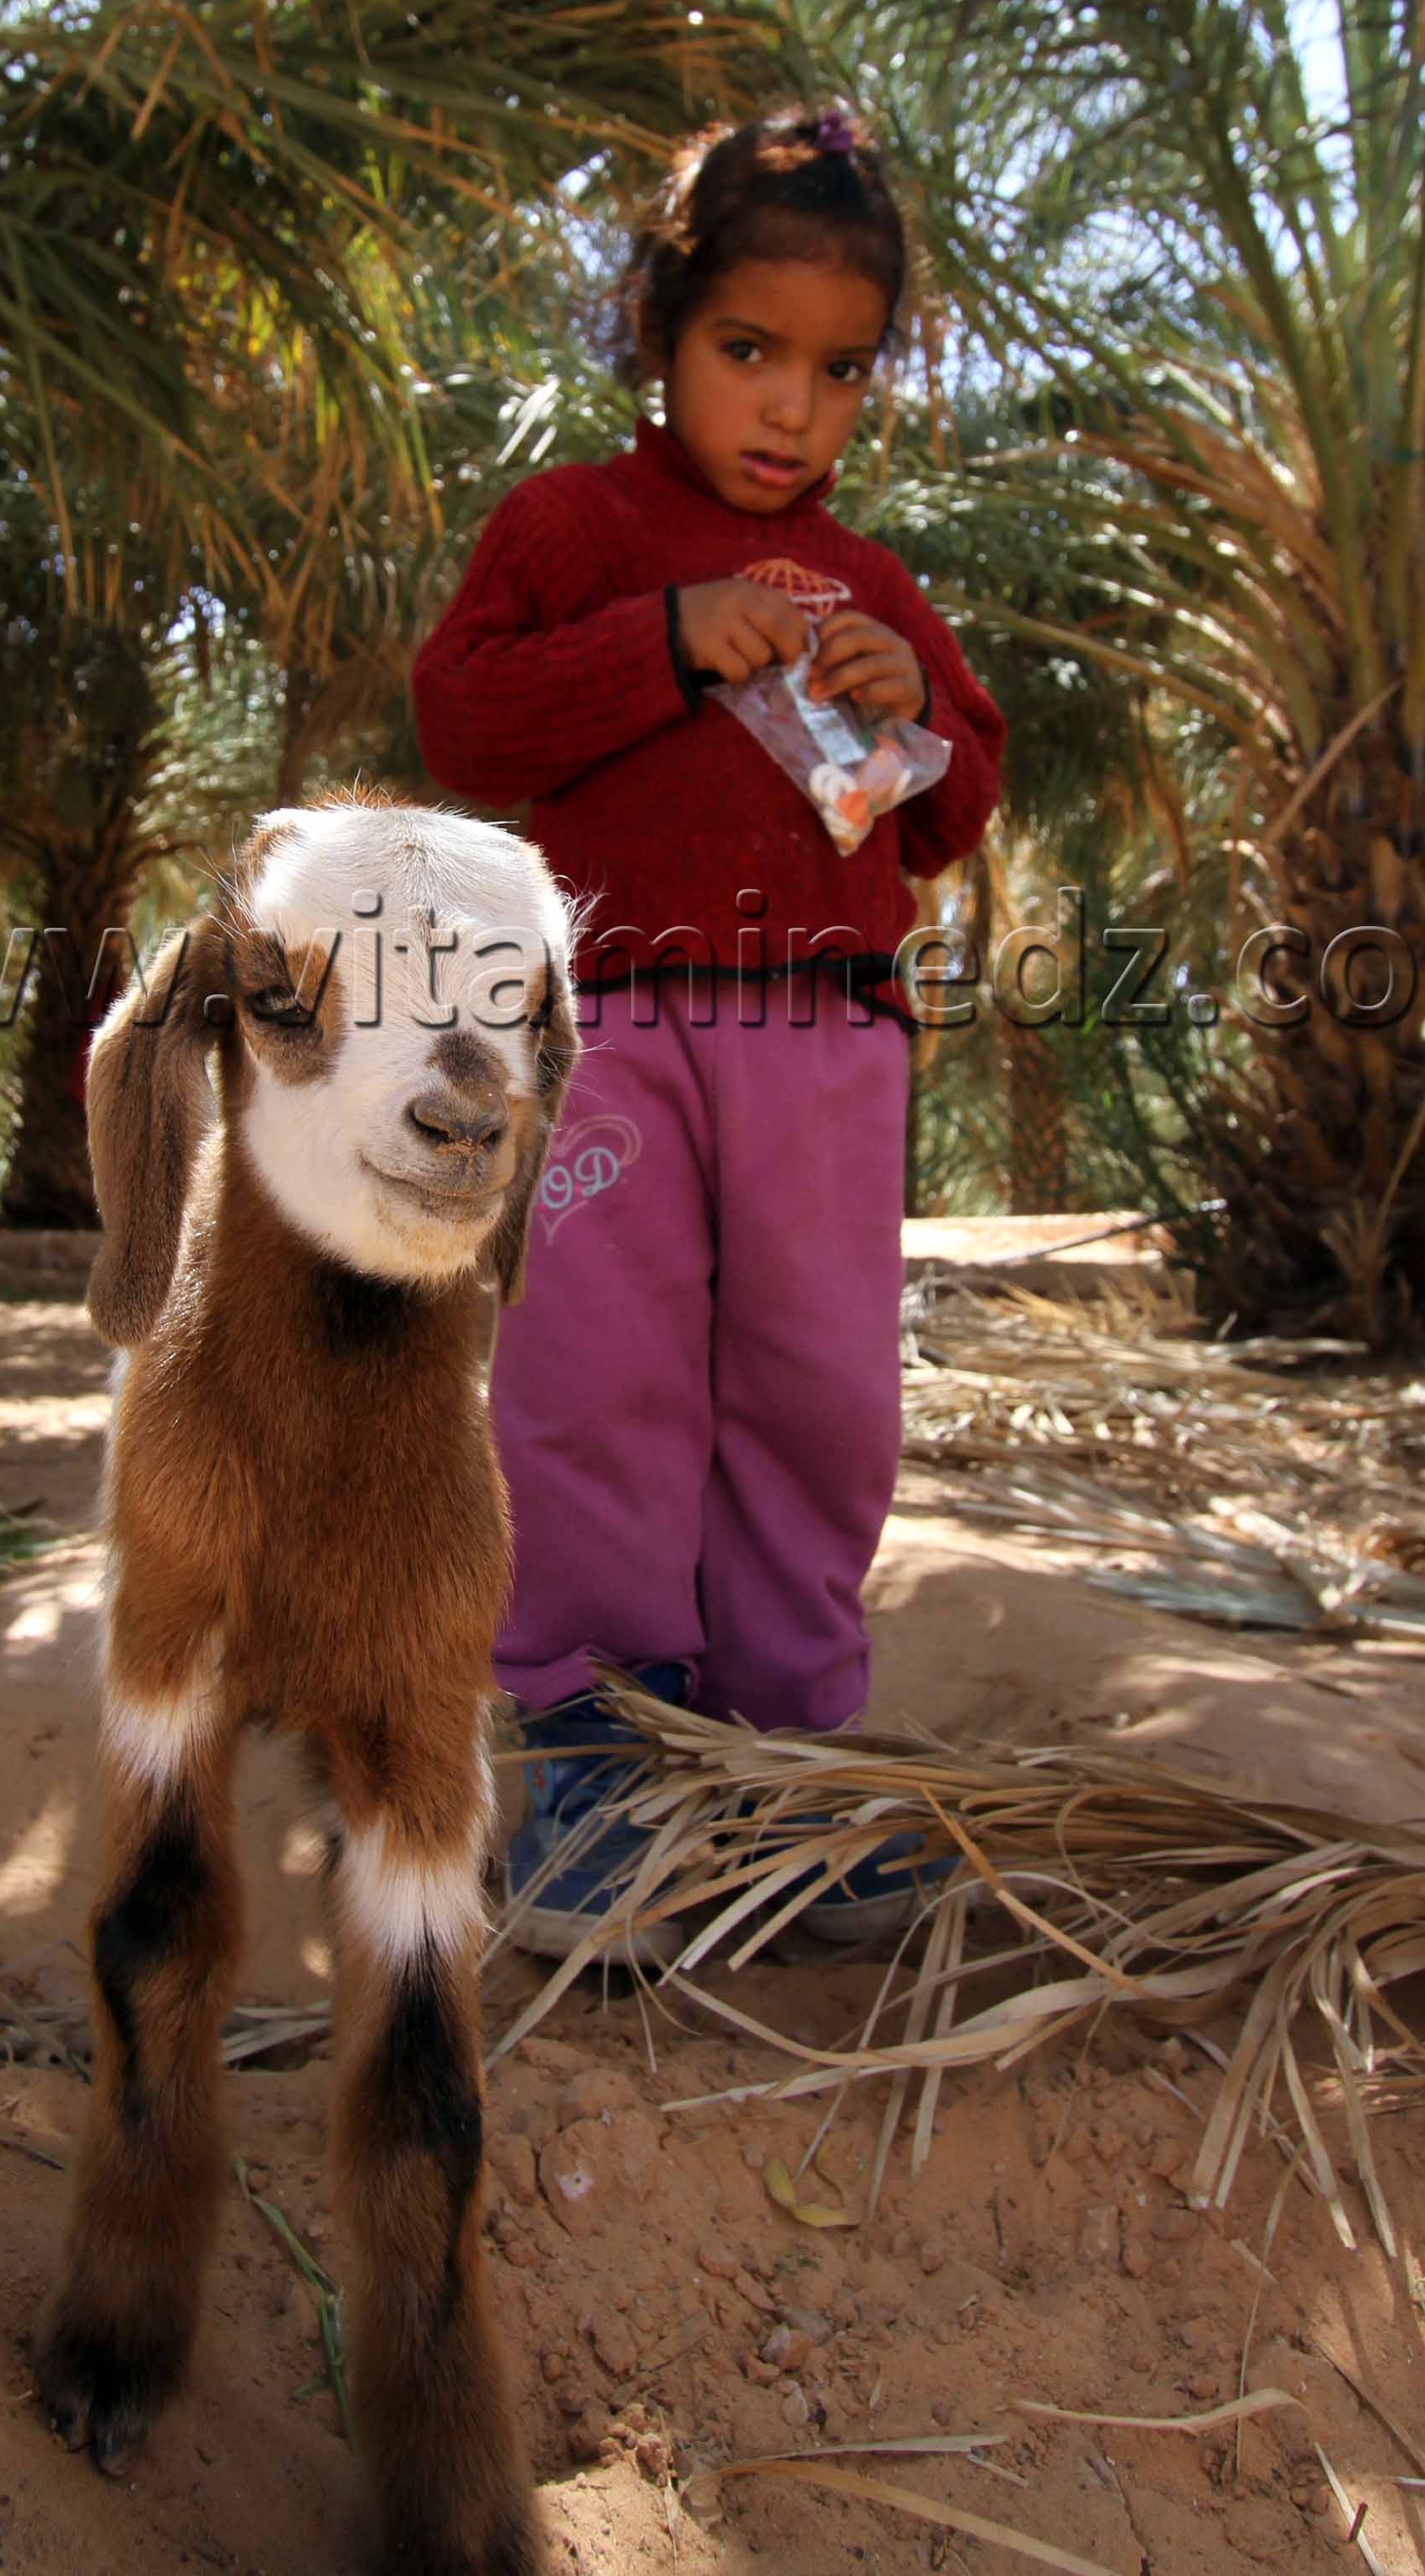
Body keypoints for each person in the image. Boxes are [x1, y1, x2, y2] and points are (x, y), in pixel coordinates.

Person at [411, 100, 1006, 1956]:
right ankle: (592, 1758)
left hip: (829, 1047)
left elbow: (947, 805)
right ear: (657, 333)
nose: (787, 410)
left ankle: (787, 1770)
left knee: (817, 1396)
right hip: (624, 1035)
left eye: (837, 371)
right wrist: (668, 637)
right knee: (597, 1380)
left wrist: (916, 704)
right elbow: (468, 725)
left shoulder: (874, 583)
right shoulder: (570, 529)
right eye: (746, 352)